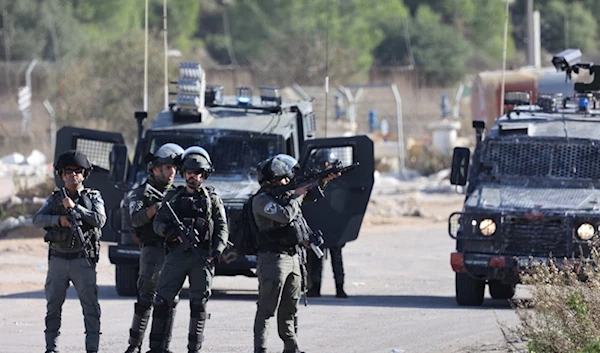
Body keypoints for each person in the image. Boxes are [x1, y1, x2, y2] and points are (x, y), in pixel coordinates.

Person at [252, 154, 340, 353]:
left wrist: (322, 181)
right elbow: (285, 216)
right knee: (267, 309)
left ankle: (291, 347)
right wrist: (298, 194)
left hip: (293, 257)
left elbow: (308, 198)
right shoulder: (261, 200)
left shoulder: (286, 197)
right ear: (271, 181)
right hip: (272, 259)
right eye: (283, 179)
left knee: (290, 308)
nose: (287, 182)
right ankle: (261, 348)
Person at [147, 146, 229, 353]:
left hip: (202, 258)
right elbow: (158, 223)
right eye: (190, 172)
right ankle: (157, 348)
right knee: (162, 301)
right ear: (183, 173)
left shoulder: (212, 199)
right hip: (177, 256)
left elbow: (222, 227)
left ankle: (194, 348)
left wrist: (217, 251)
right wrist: (168, 231)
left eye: (198, 173)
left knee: (199, 306)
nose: (194, 177)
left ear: (205, 175)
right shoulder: (173, 197)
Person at [33, 150, 106, 353]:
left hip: (82, 260)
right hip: (58, 259)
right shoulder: (55, 198)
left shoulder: (93, 197)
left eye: (77, 171)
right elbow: (37, 219)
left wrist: (76, 208)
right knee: (53, 307)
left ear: (84, 174)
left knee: (91, 308)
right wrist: (59, 220)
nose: (73, 175)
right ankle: (51, 348)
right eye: (68, 171)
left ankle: (92, 348)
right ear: (62, 174)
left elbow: (100, 220)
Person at [124, 143, 184, 353]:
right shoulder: (142, 193)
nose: (172, 172)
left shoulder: (179, 194)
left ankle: (161, 347)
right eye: (167, 168)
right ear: (155, 168)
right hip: (153, 251)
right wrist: (154, 210)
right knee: (146, 298)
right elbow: (135, 219)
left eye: (174, 168)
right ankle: (134, 345)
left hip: (174, 251)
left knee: (169, 299)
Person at [305, 149, 348, 299]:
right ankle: (314, 288)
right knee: (315, 259)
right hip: (317, 224)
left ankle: (340, 288)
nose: (325, 166)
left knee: (337, 259)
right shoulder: (312, 181)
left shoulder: (340, 182)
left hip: (334, 226)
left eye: (328, 163)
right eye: (322, 163)